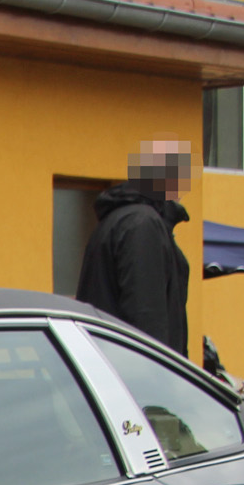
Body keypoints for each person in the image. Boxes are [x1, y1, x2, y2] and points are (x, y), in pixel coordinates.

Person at [76, 139, 193, 354]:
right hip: (135, 374)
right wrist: (162, 374)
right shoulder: (142, 225)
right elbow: (146, 318)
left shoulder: (120, 219)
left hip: (114, 363)